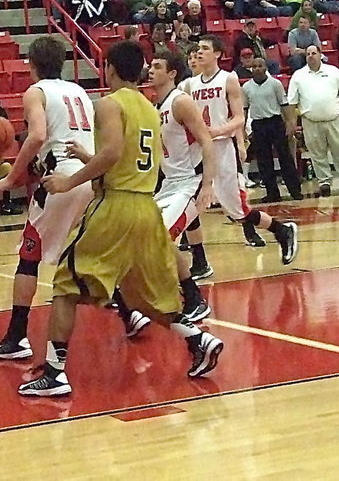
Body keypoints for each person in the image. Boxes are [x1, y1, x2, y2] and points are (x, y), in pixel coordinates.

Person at [17, 41, 223, 397]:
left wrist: (69, 181)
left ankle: (54, 372)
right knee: (141, 292)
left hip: (116, 206)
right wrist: (89, 157)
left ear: (109, 68)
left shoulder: (109, 104)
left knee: (65, 285)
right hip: (146, 206)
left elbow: (112, 154)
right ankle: (198, 340)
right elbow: (128, 156)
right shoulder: (151, 108)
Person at [0, 35, 96, 361]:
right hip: (89, 177)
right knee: (80, 255)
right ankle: (131, 313)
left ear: (31, 65)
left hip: (60, 180)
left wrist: (9, 179)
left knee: (28, 255)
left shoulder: (36, 91)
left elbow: (36, 136)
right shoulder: (80, 91)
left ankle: (17, 337)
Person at [187, 35, 299, 255]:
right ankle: (198, 260)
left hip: (221, 146)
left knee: (236, 209)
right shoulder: (190, 84)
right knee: (188, 201)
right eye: (198, 48)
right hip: (199, 149)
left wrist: (221, 133)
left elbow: (239, 118)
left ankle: (281, 230)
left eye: (204, 48)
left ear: (217, 54)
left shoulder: (228, 79)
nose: (199, 52)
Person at [149, 52, 216, 308]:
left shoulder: (180, 102)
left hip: (190, 182)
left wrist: (207, 184)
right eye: (151, 66)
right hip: (170, 183)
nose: (150, 70)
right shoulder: (156, 106)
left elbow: (206, 141)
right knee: (142, 234)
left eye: (157, 66)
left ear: (172, 73)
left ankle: (193, 299)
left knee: (161, 239)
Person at [287, 46, 339, 197]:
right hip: (310, 121)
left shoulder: (333, 71)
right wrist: (292, 122)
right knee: (317, 154)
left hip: (335, 118)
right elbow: (292, 102)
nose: (311, 56)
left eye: (314, 53)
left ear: (320, 55)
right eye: (308, 54)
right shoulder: (298, 76)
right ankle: (324, 183)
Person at [243, 58, 303, 203]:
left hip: (275, 122)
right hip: (258, 124)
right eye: (254, 66)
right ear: (251, 69)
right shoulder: (246, 87)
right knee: (264, 160)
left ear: (265, 68)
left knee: (285, 157)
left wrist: (290, 123)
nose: (257, 69)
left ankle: (295, 190)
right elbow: (244, 109)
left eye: (260, 66)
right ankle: (272, 193)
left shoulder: (275, 84)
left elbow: (284, 104)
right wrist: (242, 128)